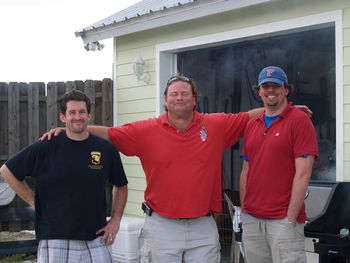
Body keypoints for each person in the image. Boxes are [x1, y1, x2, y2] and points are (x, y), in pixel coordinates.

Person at [41, 75, 311, 263]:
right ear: (165, 100)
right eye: (174, 94)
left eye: (185, 93)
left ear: (194, 99)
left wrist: (281, 111)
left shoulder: (215, 125)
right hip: (161, 227)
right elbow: (111, 134)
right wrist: (72, 129)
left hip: (203, 227)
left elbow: (247, 117)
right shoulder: (146, 130)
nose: (179, 97)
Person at [0, 90, 128, 263]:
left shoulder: (105, 149)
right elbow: (7, 171)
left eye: (82, 112)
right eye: (72, 112)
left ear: (89, 115)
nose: (78, 117)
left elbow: (121, 185)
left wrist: (116, 220)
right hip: (56, 238)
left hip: (96, 238)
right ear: (63, 117)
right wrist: (32, 201)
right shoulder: (46, 147)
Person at [239, 66, 318, 263]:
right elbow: (246, 171)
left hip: (283, 222)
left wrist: (290, 218)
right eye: (266, 86)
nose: (270, 90)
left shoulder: (299, 121)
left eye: (276, 85)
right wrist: (245, 212)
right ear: (259, 91)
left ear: (286, 90)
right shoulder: (252, 124)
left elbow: (304, 173)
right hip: (252, 221)